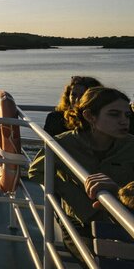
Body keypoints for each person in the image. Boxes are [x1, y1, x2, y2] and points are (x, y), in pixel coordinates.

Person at [29, 87, 134, 259]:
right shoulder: (63, 144)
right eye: (114, 114)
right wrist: (71, 192)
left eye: (127, 115)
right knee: (94, 260)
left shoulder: (130, 146)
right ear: (90, 116)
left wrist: (119, 191)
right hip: (79, 222)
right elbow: (36, 171)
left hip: (120, 219)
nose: (124, 121)